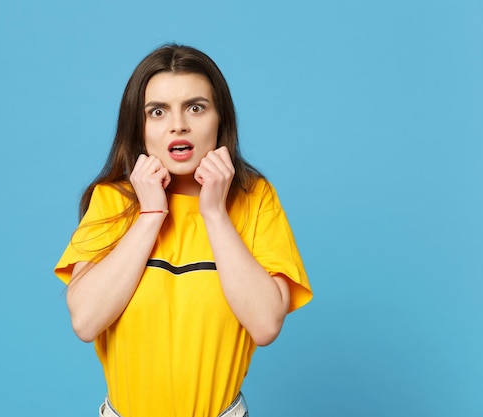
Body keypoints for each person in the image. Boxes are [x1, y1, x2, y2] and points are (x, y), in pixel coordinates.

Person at [54, 44, 313, 417]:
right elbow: (86, 320)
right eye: (157, 112)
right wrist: (151, 214)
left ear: (220, 119)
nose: (179, 124)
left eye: (196, 107)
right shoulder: (112, 200)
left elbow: (265, 324)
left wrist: (215, 214)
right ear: (139, 128)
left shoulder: (255, 198)